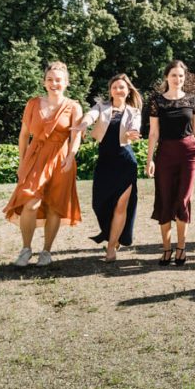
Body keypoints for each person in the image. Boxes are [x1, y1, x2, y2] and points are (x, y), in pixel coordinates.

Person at [5, 62, 84, 267]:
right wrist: (22, 161)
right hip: (35, 158)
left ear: (66, 83)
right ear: (44, 82)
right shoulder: (32, 104)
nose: (54, 83)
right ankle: (26, 249)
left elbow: (76, 136)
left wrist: (71, 156)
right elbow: (23, 135)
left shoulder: (74, 106)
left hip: (61, 159)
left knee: (55, 207)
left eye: (58, 80)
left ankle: (46, 251)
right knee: (31, 203)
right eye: (50, 79)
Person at [147, 60, 195, 266]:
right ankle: (166, 249)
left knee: (183, 199)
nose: (177, 79)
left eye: (181, 76)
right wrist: (149, 159)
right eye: (174, 75)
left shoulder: (193, 100)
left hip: (189, 154)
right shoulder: (157, 101)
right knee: (165, 199)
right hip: (165, 153)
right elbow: (153, 132)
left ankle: (181, 248)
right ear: (167, 77)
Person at [76, 74, 142, 262]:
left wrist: (132, 134)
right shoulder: (101, 107)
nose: (118, 90)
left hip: (125, 163)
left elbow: (134, 128)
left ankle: (111, 247)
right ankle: (113, 235)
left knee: (121, 206)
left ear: (128, 90)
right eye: (114, 87)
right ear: (110, 90)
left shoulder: (134, 111)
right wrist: (83, 124)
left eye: (122, 87)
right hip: (105, 163)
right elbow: (91, 115)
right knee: (100, 204)